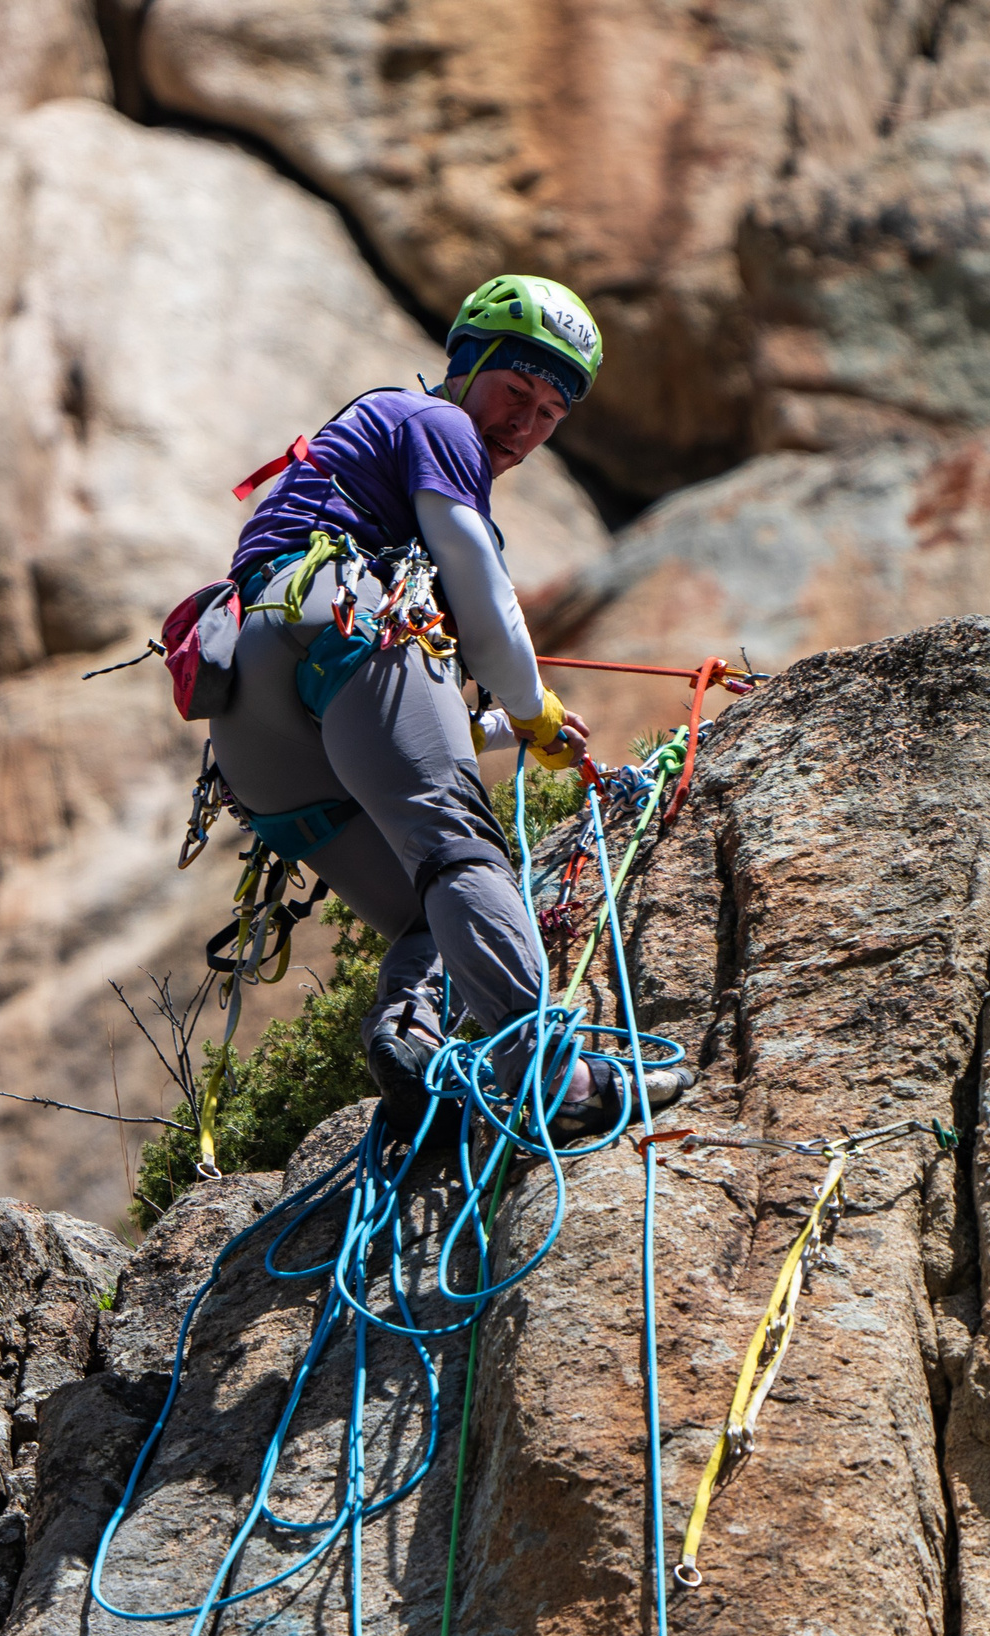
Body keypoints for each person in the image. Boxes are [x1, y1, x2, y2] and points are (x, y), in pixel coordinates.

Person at [209, 274, 691, 1137]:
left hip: (257, 725)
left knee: (425, 914)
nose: (524, 425)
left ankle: (415, 1047)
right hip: (346, 623)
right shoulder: (434, 423)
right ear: (466, 364)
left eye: (550, 414)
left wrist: (509, 727)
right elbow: (479, 586)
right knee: (467, 852)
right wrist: (537, 707)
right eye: (516, 390)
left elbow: (387, 737)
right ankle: (558, 1080)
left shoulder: (361, 453)